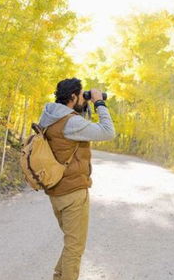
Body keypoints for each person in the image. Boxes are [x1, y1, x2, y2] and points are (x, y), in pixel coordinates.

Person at [37, 77, 116, 280]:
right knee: (75, 248)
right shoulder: (71, 122)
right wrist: (99, 102)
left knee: (72, 242)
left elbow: (74, 130)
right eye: (83, 95)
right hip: (73, 193)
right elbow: (108, 132)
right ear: (73, 97)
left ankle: (58, 276)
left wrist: (83, 105)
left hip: (56, 191)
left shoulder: (50, 116)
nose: (86, 98)